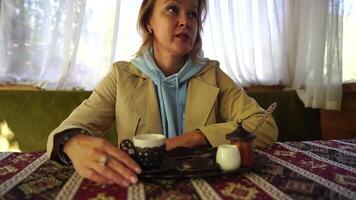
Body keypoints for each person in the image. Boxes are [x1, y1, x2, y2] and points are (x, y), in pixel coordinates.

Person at [47, 0, 278, 187]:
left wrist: (192, 138)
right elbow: (64, 132)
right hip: (140, 187)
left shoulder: (213, 74)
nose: (185, 21)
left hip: (206, 186)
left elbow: (265, 125)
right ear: (149, 21)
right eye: (172, 9)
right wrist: (72, 143)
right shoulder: (121, 76)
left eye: (193, 14)